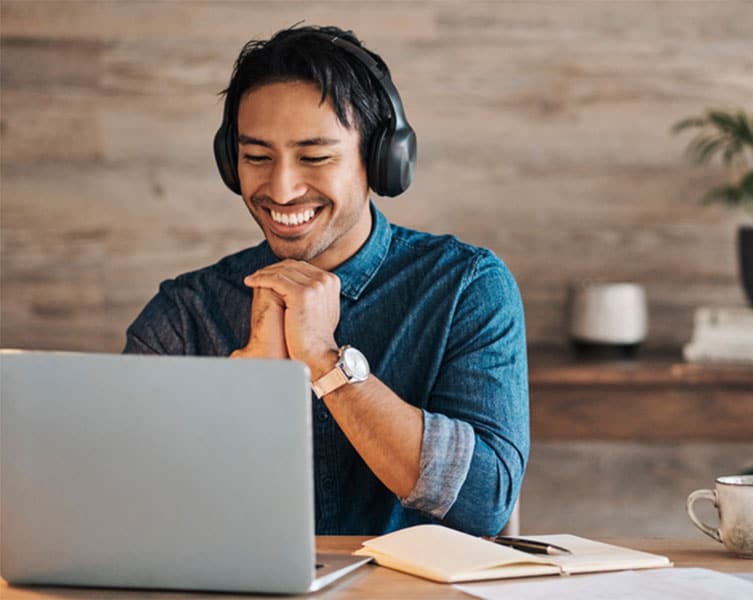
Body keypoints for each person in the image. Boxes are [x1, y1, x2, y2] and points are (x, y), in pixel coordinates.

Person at [124, 24, 528, 536]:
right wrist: (248, 399)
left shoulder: (465, 287)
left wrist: (324, 362)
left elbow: (483, 502)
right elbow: (134, 509)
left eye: (315, 157)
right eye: (256, 157)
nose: (282, 188)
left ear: (383, 160)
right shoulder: (185, 313)